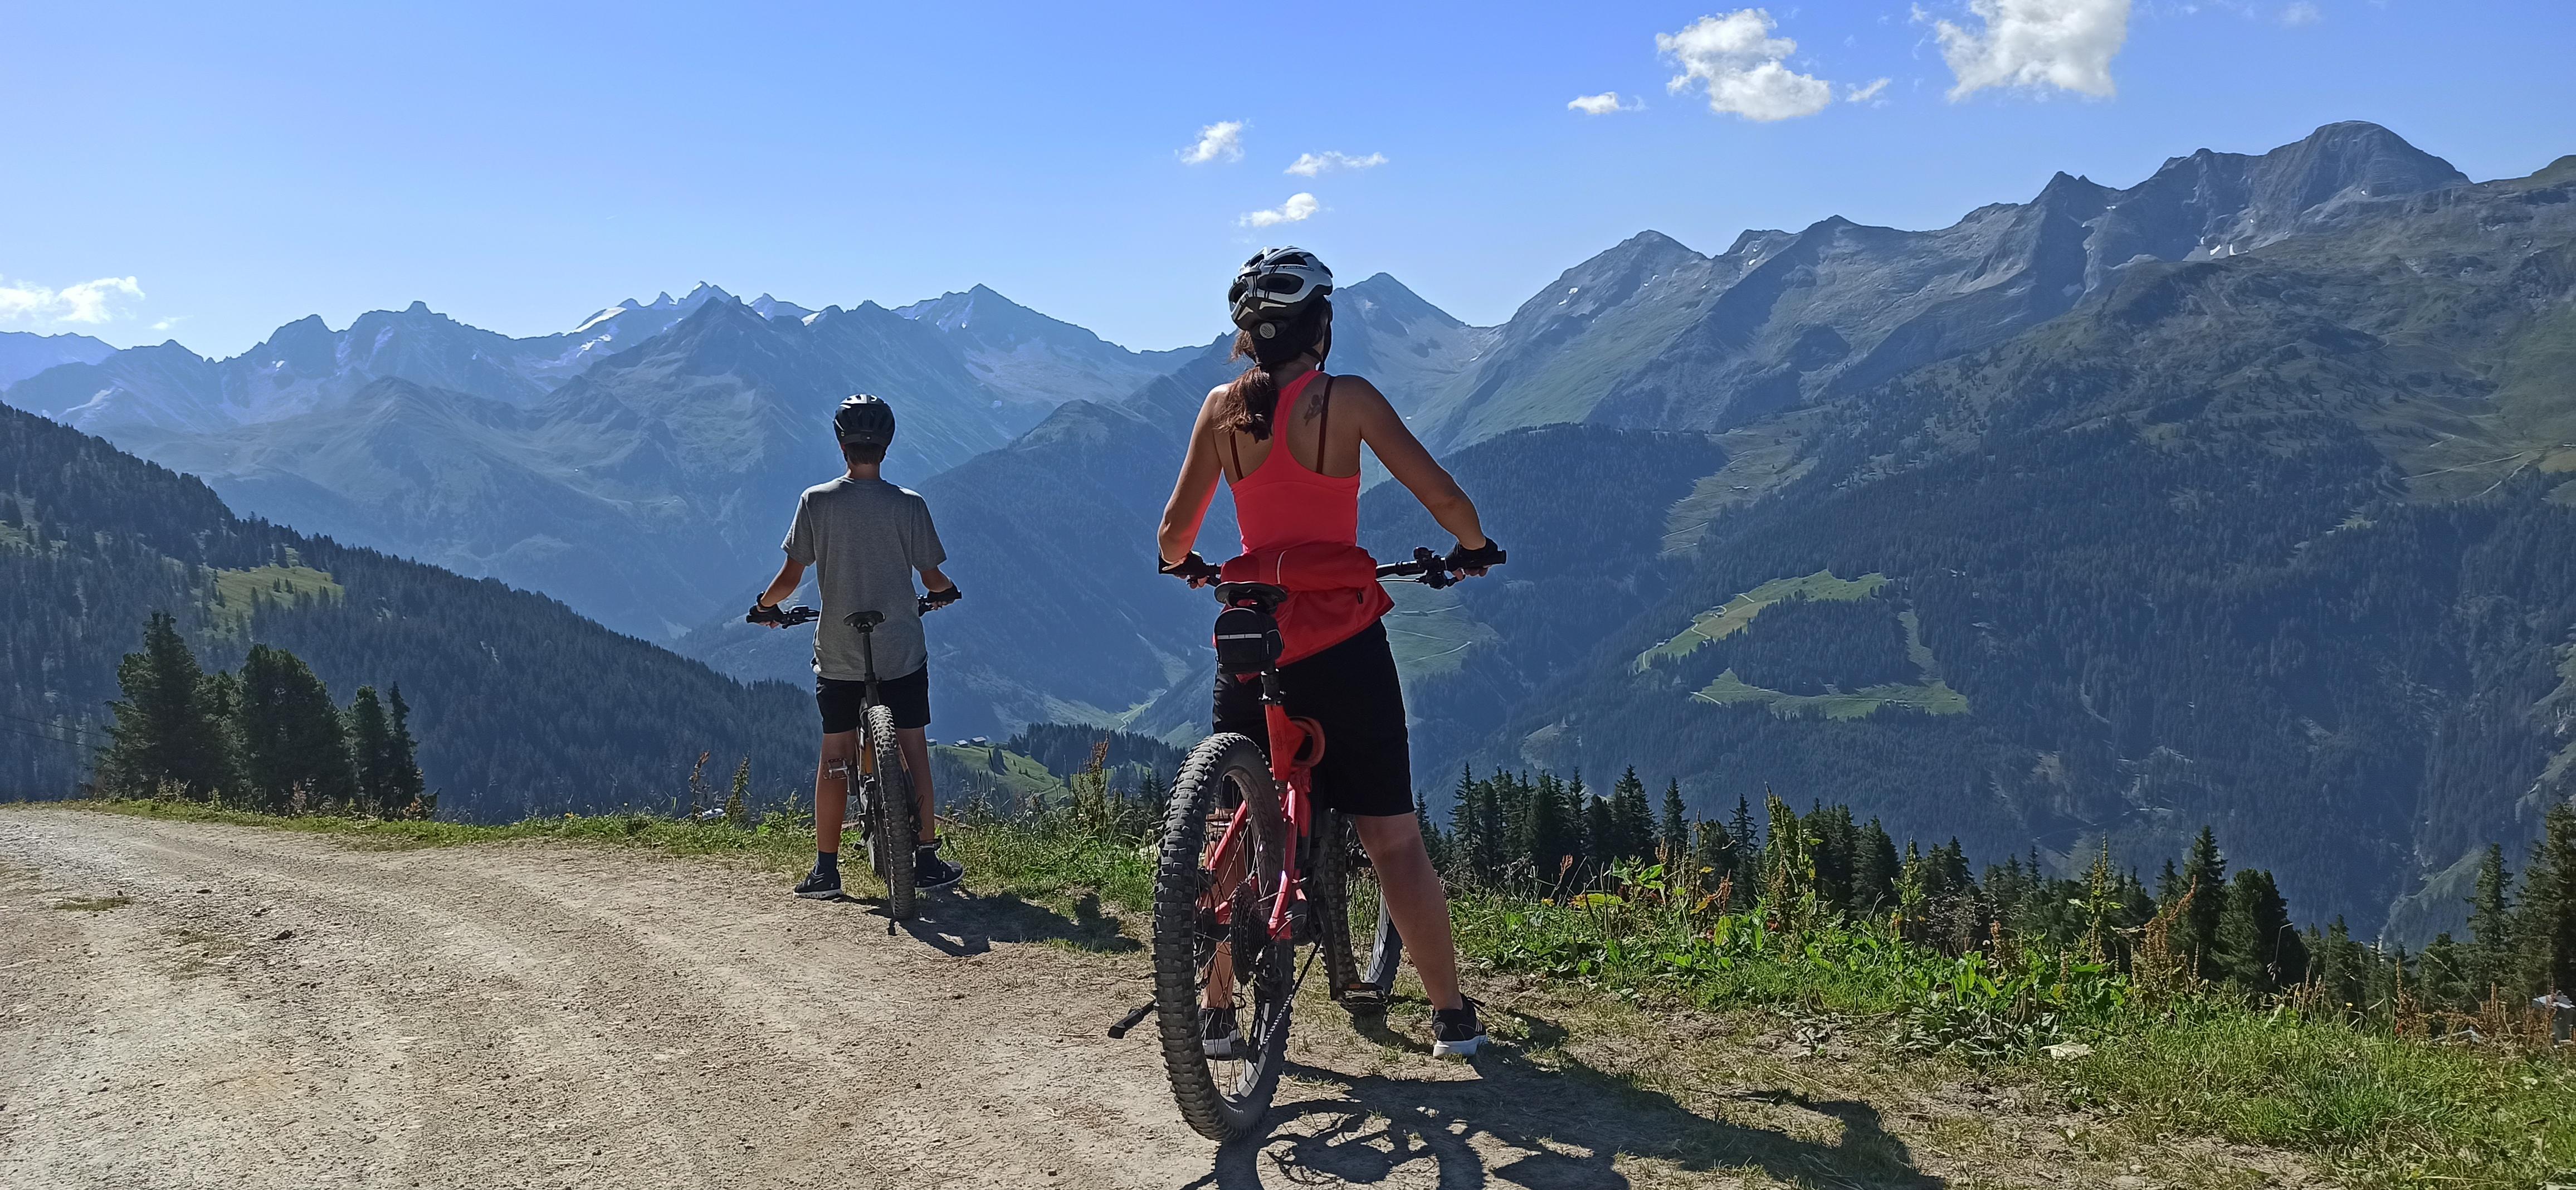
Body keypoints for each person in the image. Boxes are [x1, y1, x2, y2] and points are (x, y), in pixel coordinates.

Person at [1155, 246, 1505, 1059]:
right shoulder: (1344, 400)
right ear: (1321, 326)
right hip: (1342, 641)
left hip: (1252, 637)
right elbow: (1442, 495)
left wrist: (1190, 565)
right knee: (1392, 839)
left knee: (1231, 823)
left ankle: (1216, 1014)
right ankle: (1451, 1017)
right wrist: (1472, 546)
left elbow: (1173, 536)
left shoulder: (1220, 409)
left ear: (1250, 336)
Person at [752, 393, 965, 900]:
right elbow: (933, 579)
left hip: (840, 650)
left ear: (841, 445)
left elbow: (790, 578)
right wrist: (945, 593)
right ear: (887, 446)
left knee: (835, 753)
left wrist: (764, 607)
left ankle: (826, 871)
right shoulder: (909, 505)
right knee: (913, 748)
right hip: (900, 649)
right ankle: (927, 859)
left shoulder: (816, 502)